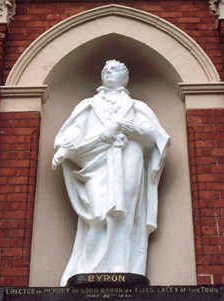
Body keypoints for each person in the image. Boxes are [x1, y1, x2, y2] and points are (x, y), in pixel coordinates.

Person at [52, 60, 170, 286]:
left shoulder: (137, 106)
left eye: (114, 69)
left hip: (129, 157)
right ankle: (92, 268)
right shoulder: (89, 104)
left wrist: (133, 129)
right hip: (96, 160)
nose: (107, 72)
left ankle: (121, 267)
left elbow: (157, 139)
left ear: (125, 78)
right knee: (97, 215)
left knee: (126, 213)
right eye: (104, 70)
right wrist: (65, 149)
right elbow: (76, 130)